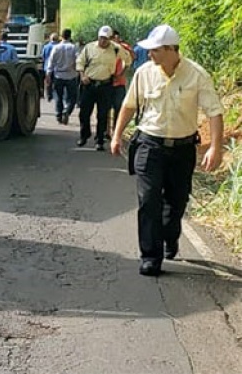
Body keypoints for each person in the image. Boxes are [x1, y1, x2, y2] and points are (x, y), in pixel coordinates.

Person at [111, 24, 224, 276]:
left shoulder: (196, 75)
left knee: (176, 202)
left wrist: (215, 147)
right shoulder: (144, 73)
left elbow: (214, 112)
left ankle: (169, 236)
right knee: (148, 199)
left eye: (155, 50)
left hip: (182, 148)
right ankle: (150, 256)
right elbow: (129, 106)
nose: (150, 54)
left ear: (172, 50)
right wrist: (117, 135)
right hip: (150, 145)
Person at [76, 25, 132, 150]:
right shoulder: (89, 47)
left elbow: (128, 60)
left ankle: (100, 139)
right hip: (89, 84)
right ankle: (84, 135)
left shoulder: (116, 49)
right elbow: (80, 62)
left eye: (106, 39)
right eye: (101, 38)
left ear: (110, 39)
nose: (103, 41)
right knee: (84, 113)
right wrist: (82, 75)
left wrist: (120, 74)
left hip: (106, 85)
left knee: (102, 114)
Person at [46, 28, 79, 125]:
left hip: (58, 75)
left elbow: (51, 62)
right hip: (71, 75)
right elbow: (78, 60)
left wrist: (48, 75)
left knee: (58, 96)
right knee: (72, 97)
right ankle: (67, 111)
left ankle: (58, 115)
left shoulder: (56, 48)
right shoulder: (73, 47)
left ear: (61, 36)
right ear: (70, 36)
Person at [108, 29, 135, 135]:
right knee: (106, 108)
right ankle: (106, 131)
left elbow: (132, 57)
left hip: (120, 82)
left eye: (117, 37)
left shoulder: (123, 47)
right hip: (107, 81)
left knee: (118, 107)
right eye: (114, 37)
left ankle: (116, 130)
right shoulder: (105, 49)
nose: (116, 39)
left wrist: (122, 72)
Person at [41, 32, 60, 101]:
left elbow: (43, 56)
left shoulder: (46, 47)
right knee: (56, 82)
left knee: (48, 82)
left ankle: (49, 95)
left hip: (47, 67)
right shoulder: (59, 46)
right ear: (57, 39)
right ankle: (56, 95)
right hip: (56, 67)